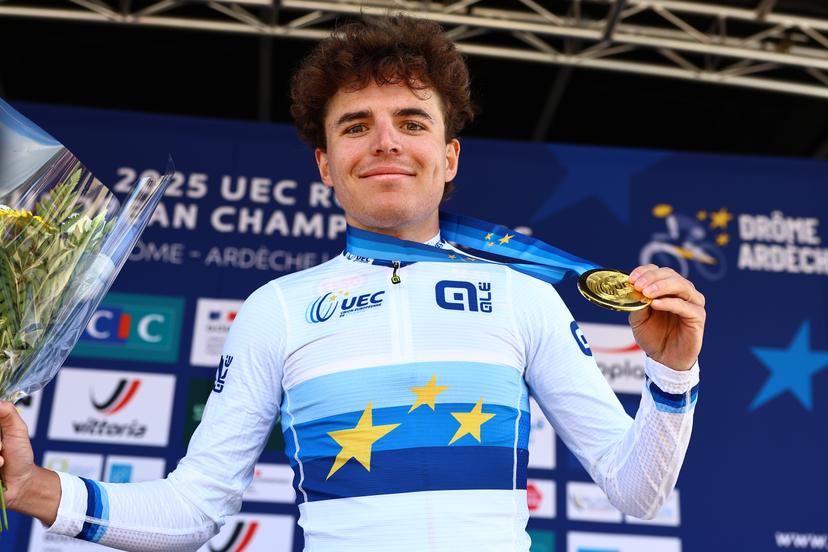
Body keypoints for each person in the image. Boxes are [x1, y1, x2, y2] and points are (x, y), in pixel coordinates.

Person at [0, 15, 704, 552]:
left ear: (448, 156)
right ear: (325, 165)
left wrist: (673, 375)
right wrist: (31, 487)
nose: (386, 142)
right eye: (356, 126)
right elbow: (192, 511)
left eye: (411, 122)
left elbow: (638, 490)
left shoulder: (523, 297)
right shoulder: (276, 310)